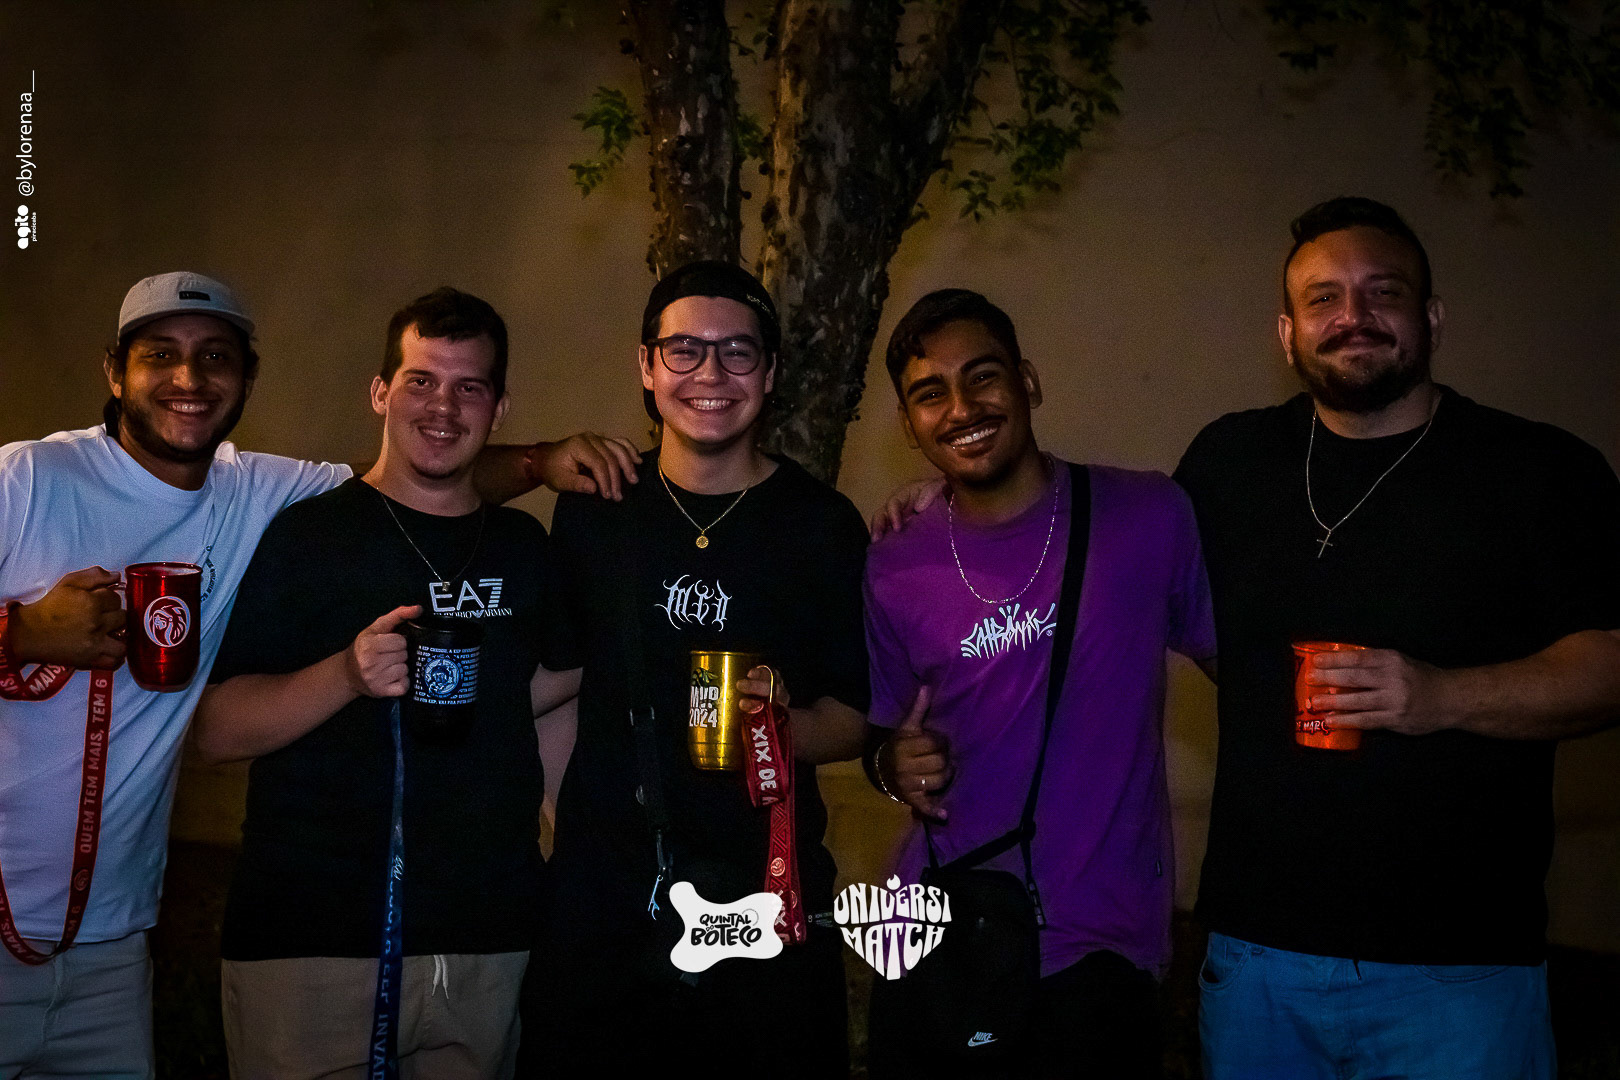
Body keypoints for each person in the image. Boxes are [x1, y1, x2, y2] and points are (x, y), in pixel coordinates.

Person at [0, 271, 636, 1079]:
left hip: (114, 940)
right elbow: (216, 729)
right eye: (160, 354)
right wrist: (21, 632)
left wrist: (545, 464)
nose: (189, 378)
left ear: (247, 378)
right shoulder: (28, 479)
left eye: (216, 357)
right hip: (294, 935)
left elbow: (429, 478)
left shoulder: (259, 492)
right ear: (113, 370)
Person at [1173, 197, 1620, 1079]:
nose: (1354, 316)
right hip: (1259, 959)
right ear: (1288, 333)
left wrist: (1440, 695)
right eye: (1323, 298)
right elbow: (1119, 563)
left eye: (1384, 292)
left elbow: (1610, 663)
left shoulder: (1541, 470)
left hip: (1463, 970)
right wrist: (949, 504)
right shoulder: (1229, 461)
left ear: (1432, 318)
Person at [191, 287, 577, 1078]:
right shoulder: (308, 536)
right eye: (421, 380)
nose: (444, 407)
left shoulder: (524, 547)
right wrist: (345, 674)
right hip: (315, 942)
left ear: (500, 408)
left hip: (488, 935)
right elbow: (215, 731)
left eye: (470, 387)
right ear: (380, 393)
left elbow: (536, 716)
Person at [521, 261, 870, 1077]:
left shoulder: (820, 525)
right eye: (684, 350)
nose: (710, 373)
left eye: (737, 352)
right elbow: (561, 682)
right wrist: (573, 831)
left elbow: (853, 719)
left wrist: (779, 727)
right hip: (606, 912)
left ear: (770, 373)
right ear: (647, 367)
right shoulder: (598, 507)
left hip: (760, 899)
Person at [861, 289, 1216, 1078]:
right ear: (910, 426)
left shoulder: (1148, 516)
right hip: (931, 936)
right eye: (930, 394)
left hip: (1095, 951)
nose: (962, 408)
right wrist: (892, 766)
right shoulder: (892, 566)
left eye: (983, 377)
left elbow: (1250, 674)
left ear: (1028, 381)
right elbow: (880, 740)